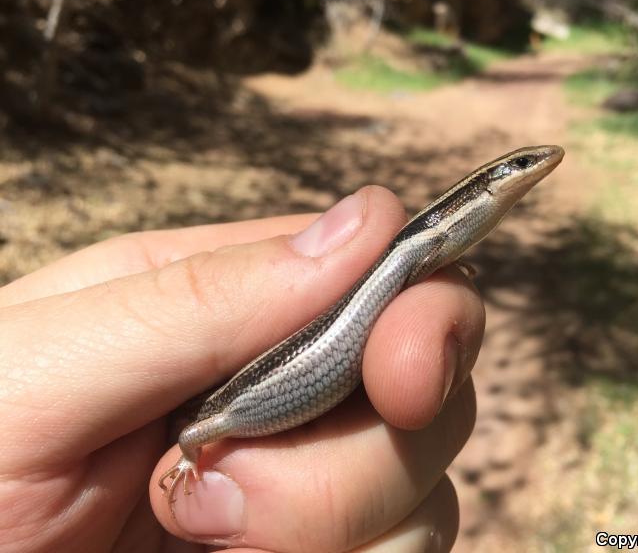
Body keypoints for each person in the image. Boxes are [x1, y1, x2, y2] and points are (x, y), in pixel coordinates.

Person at [0, 186, 484, 552]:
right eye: (522, 165)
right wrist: (188, 458)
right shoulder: (211, 425)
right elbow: (191, 436)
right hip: (268, 385)